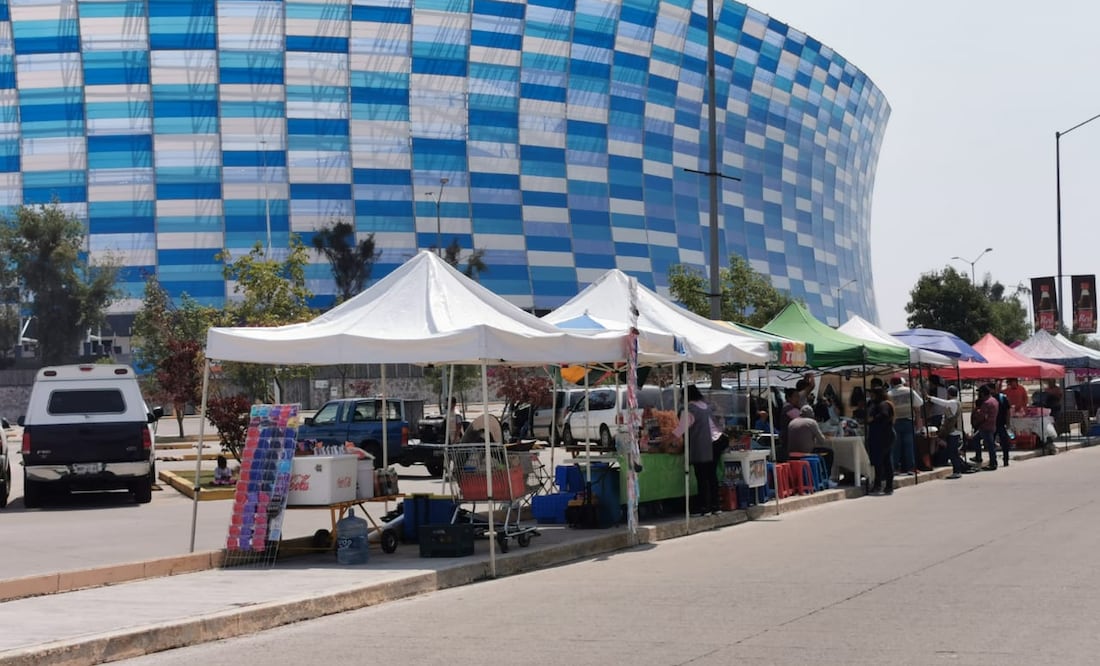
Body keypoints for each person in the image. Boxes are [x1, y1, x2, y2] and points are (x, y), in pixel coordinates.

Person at [672, 385, 721, 515]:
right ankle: (716, 505)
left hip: (701, 445)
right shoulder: (705, 406)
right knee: (711, 476)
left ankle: (704, 507)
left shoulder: (690, 409)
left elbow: (681, 429)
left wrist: (669, 439)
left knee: (702, 476)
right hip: (716, 442)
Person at [923, 386, 971, 479]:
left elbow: (943, 403)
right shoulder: (956, 402)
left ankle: (957, 471)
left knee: (952, 452)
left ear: (949, 393)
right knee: (953, 452)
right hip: (954, 431)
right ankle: (957, 469)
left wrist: (930, 398)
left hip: (953, 432)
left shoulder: (953, 403)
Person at [787, 404, 836, 483]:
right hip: (806, 453)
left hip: (792, 453)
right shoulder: (811, 422)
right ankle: (826, 479)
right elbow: (822, 441)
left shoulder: (792, 422)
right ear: (812, 414)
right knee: (830, 452)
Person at [888, 375, 924, 474]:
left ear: (892, 384)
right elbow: (919, 403)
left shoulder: (889, 394)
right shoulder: (909, 391)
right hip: (908, 421)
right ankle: (911, 468)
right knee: (909, 446)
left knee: (896, 446)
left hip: (895, 422)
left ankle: (894, 468)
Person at [866, 385, 895, 495]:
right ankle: (883, 485)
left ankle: (884, 485)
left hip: (883, 436)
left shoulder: (884, 404)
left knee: (883, 461)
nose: (870, 395)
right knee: (881, 461)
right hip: (879, 435)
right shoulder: (875, 404)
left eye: (872, 393)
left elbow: (884, 415)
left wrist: (873, 419)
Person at [970, 384, 1000, 471]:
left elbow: (981, 417)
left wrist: (976, 422)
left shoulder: (986, 403)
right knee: (976, 439)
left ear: (983, 393)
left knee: (990, 445)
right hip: (991, 425)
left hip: (985, 427)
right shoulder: (994, 400)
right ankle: (978, 457)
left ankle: (993, 463)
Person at [992, 382, 1013, 467]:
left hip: (1000, 423)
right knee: (991, 443)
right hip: (993, 424)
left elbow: (1008, 411)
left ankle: (1005, 460)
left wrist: (1008, 423)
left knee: (1004, 442)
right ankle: (994, 460)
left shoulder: (1002, 398)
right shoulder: (991, 398)